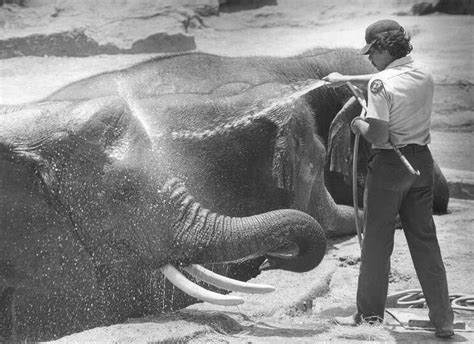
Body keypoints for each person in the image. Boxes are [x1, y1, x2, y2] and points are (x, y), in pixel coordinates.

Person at [323, 19, 454, 338]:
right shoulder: (423, 73)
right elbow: (383, 79)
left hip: (390, 168)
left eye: (372, 52)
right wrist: (347, 79)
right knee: (425, 242)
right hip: (422, 164)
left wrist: (358, 125)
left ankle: (368, 317)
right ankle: (443, 320)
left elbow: (379, 134)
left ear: (383, 49)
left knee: (376, 244)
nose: (368, 59)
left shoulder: (380, 85)